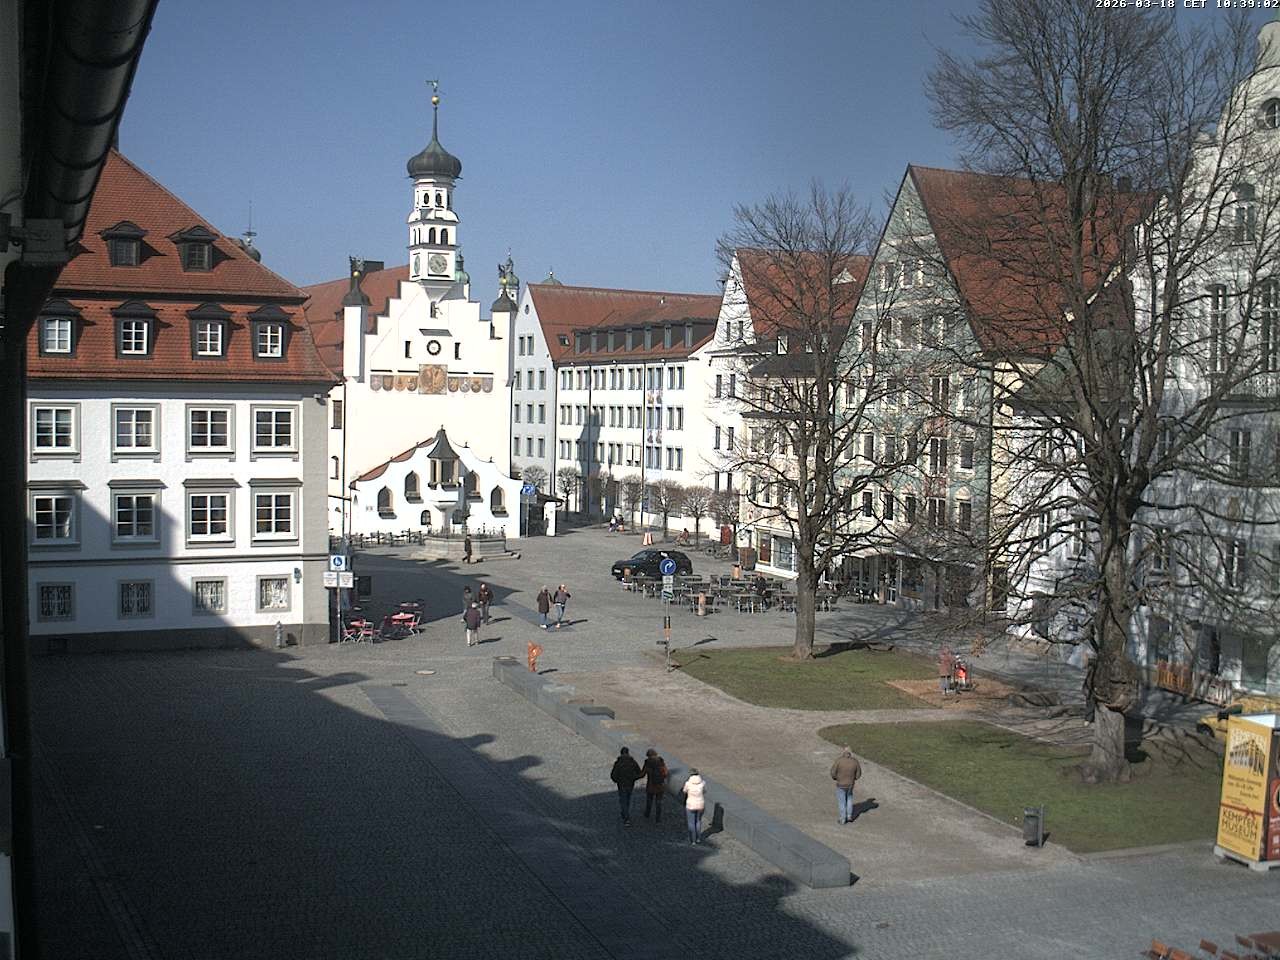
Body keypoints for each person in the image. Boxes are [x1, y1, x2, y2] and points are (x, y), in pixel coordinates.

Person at [609, 747, 642, 825]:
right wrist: (633, 778)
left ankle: (626, 818)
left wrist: (617, 781)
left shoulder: (618, 763)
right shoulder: (633, 762)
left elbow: (613, 775)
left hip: (621, 785)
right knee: (627, 799)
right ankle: (625, 813)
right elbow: (639, 772)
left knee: (623, 800)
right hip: (630, 784)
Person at [831, 746, 862, 825]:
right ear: (851, 753)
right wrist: (853, 778)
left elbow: (833, 772)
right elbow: (858, 774)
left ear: (843, 752)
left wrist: (836, 778)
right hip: (850, 784)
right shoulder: (855, 762)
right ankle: (849, 816)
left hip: (840, 784)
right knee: (849, 799)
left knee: (842, 802)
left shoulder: (839, 761)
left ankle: (842, 818)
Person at [640, 748, 668, 822]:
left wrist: (635, 776)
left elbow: (642, 774)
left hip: (651, 786)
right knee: (659, 802)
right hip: (660, 786)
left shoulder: (647, 763)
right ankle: (658, 818)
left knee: (649, 800)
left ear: (648, 755)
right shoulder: (661, 762)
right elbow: (665, 773)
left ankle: (647, 814)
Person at [683, 768, 706, 845]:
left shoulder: (688, 783)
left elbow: (684, 791)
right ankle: (698, 838)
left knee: (691, 823)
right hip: (700, 804)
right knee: (698, 821)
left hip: (690, 805)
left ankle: (693, 840)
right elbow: (704, 791)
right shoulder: (702, 783)